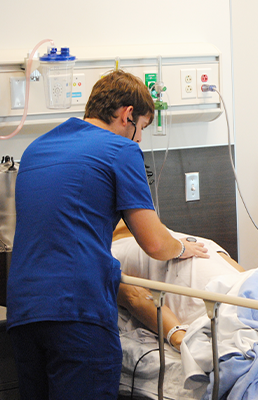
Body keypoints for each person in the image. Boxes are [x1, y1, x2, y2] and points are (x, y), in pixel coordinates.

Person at [6, 69, 209, 399]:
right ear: (128, 115)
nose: (140, 138)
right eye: (141, 127)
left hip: (24, 310)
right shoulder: (120, 150)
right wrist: (181, 247)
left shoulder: (36, 149)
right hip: (77, 311)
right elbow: (156, 243)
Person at [113, 219, 243, 353]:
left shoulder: (192, 239)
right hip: (219, 313)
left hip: (246, 297)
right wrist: (179, 337)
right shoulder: (109, 255)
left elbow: (242, 274)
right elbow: (133, 296)